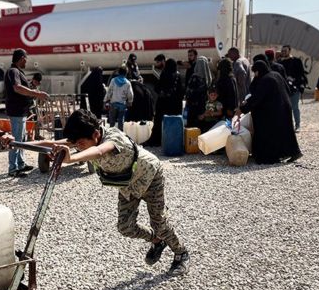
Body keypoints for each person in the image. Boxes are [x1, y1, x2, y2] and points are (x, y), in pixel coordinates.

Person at [13, 109, 190, 275]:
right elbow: (52, 143)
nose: (78, 146)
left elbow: (98, 151)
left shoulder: (113, 139)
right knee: (125, 227)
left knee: (159, 222)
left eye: (81, 143)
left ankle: (181, 253)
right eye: (76, 144)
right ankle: (157, 241)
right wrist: (15, 144)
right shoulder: (85, 136)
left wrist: (70, 158)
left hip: (151, 177)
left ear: (96, 134)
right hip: (128, 184)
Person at [236, 60, 302, 164]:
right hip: (284, 107)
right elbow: (287, 90)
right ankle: (293, 152)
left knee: (269, 134)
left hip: (273, 112)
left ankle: (271, 157)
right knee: (286, 133)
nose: (255, 75)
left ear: (258, 70)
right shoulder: (275, 75)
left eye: (255, 72)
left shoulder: (266, 80)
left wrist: (242, 109)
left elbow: (257, 98)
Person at [4, 48, 50, 177]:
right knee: (16, 140)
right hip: (16, 111)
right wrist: (37, 93)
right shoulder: (13, 71)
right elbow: (17, 88)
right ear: (22, 58)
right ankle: (13, 169)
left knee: (22, 139)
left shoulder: (17, 71)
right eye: (26, 59)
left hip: (21, 111)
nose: (26, 62)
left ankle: (21, 164)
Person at [148, 58, 184, 146]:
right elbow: (181, 90)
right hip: (175, 104)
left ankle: (157, 140)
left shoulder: (165, 73)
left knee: (159, 122)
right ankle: (172, 140)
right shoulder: (178, 75)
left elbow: (158, 87)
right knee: (173, 122)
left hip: (163, 103)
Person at [279, 45, 308, 132]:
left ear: (289, 51)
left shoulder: (296, 61)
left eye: (285, 51)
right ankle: (287, 126)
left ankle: (297, 125)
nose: (283, 52)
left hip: (295, 88)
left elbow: (301, 74)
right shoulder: (280, 62)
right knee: (285, 108)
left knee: (294, 107)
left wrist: (295, 80)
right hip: (283, 88)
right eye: (282, 51)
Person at [184, 55, 212, 130]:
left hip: (193, 107)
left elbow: (188, 93)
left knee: (192, 128)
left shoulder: (194, 77)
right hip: (203, 106)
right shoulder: (209, 78)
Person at [104, 66, 134, 131]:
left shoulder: (113, 80)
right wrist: (130, 101)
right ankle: (121, 134)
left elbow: (109, 91)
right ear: (126, 73)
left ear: (118, 72)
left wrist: (106, 100)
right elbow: (130, 94)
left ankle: (111, 133)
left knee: (112, 121)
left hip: (113, 103)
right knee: (121, 121)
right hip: (122, 104)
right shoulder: (127, 82)